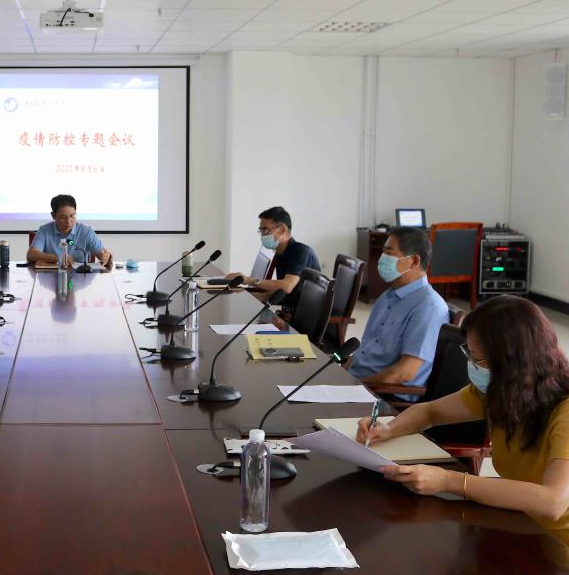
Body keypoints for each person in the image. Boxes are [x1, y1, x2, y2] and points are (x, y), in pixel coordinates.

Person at [358, 296, 569, 544]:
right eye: (469, 354)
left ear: (513, 363)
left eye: (478, 359)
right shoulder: (502, 390)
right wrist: (388, 429)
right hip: (520, 519)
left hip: (557, 542)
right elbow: (430, 412)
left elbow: (552, 502)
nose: (472, 366)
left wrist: (448, 481)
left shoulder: (563, 411)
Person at [347, 227, 448, 399]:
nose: (382, 259)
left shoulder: (428, 308)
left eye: (389, 253)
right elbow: (364, 350)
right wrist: (341, 376)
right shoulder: (388, 296)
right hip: (357, 382)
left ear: (414, 261)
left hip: (385, 394)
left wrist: (355, 388)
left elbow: (403, 373)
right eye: (383, 252)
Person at [226, 206, 320, 309]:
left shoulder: (301, 252)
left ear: (282, 229)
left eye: (265, 230)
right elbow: (278, 291)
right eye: (261, 231)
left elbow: (287, 287)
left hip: (305, 316)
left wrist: (250, 280)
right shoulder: (280, 253)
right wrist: (248, 295)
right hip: (290, 311)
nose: (262, 235)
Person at [26, 194, 113, 269]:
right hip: (51, 277)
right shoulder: (44, 231)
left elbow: (102, 254)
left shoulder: (86, 232)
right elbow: (31, 255)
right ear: (53, 216)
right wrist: (58, 257)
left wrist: (106, 256)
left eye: (72, 216)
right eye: (63, 217)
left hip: (81, 278)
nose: (68, 221)